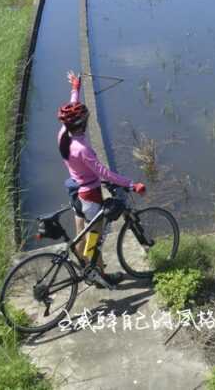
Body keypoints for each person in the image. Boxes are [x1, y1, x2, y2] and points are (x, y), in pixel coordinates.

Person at [58, 70, 145, 289]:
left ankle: (84, 267)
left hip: (74, 191)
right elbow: (103, 173)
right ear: (82, 124)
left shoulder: (63, 135)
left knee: (81, 236)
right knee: (94, 238)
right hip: (89, 196)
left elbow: (72, 106)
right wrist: (130, 184)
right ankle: (99, 274)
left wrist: (75, 88)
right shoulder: (83, 149)